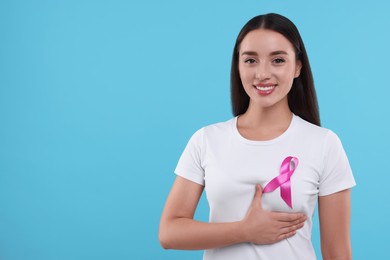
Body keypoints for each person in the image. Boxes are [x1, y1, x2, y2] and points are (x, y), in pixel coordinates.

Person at [159, 13, 356, 260]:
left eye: (277, 60)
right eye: (251, 60)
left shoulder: (324, 144)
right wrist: (244, 230)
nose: (262, 73)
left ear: (297, 67)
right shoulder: (207, 140)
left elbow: (337, 253)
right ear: (238, 66)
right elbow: (169, 232)